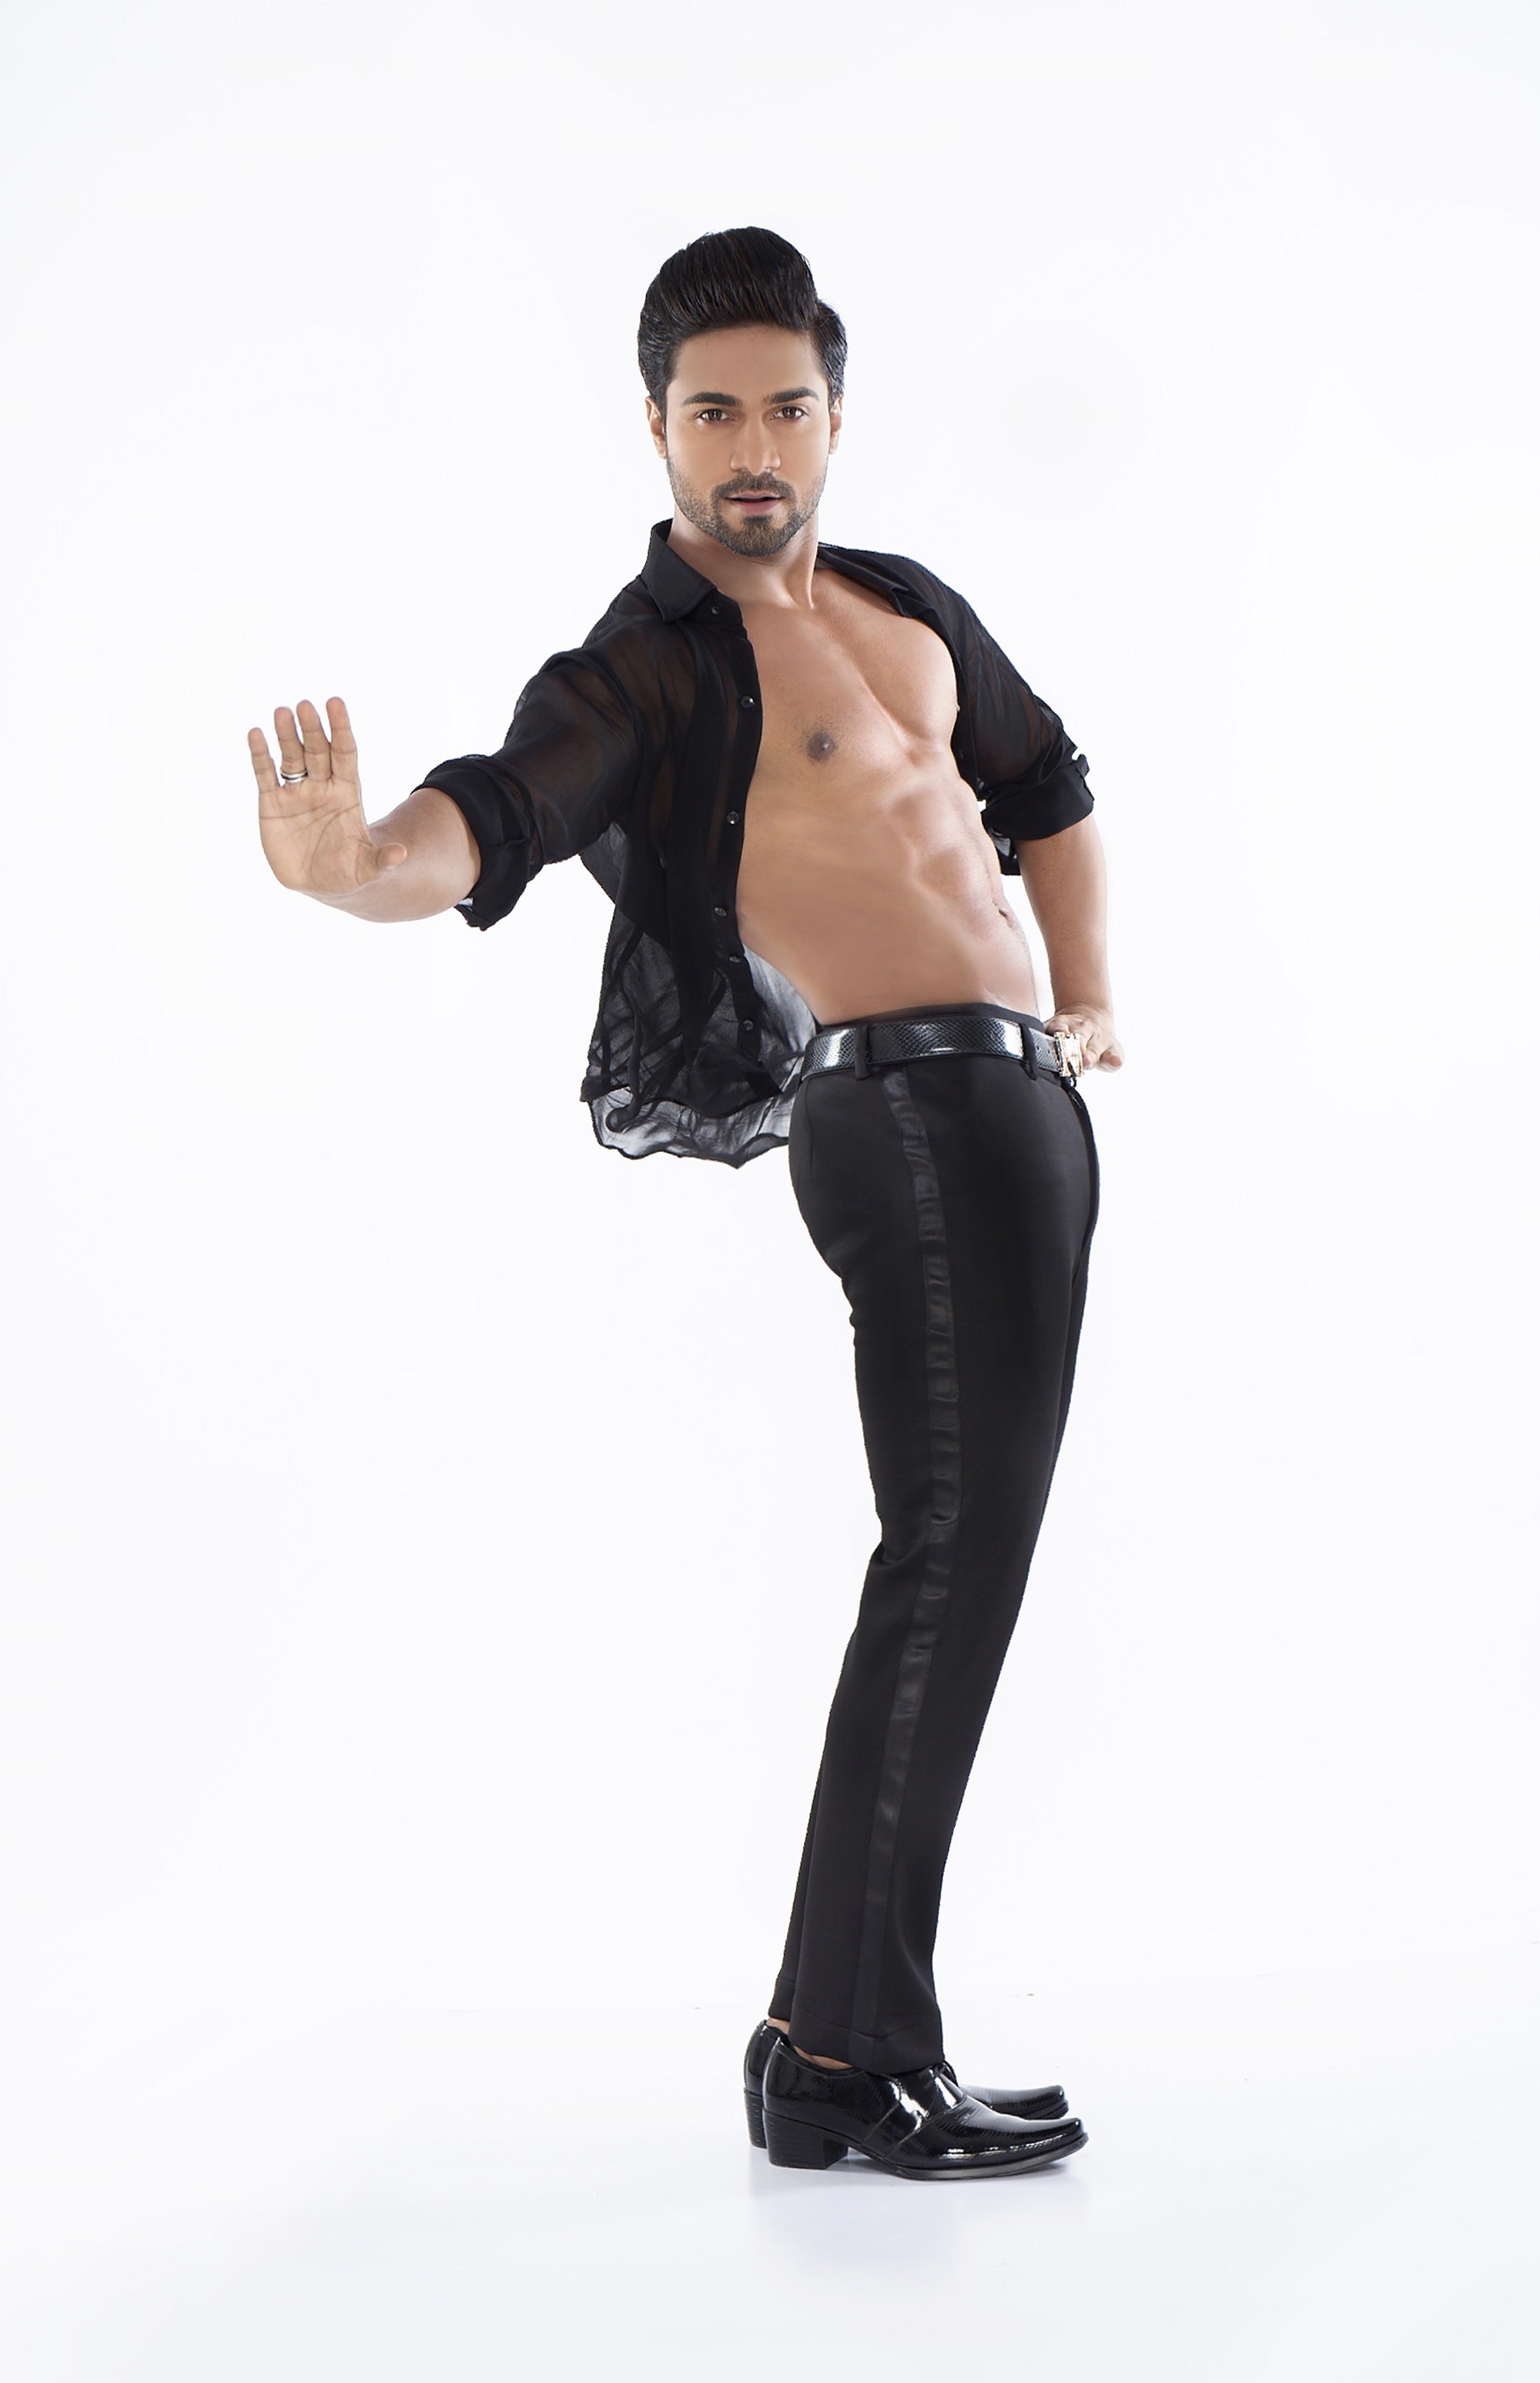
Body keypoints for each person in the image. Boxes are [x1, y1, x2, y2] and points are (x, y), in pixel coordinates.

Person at [248, 226, 1123, 2182]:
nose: (753, 447)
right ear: (655, 425)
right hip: (899, 1113)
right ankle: (846, 2055)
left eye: (785, 408)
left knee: (961, 1566)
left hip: (1018, 1112)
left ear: (833, 419)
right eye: (712, 412)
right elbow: (490, 815)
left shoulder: (908, 606)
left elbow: (1047, 785)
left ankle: (829, 2041)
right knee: (944, 1566)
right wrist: (356, 861)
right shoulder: (639, 669)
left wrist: (1083, 1000)